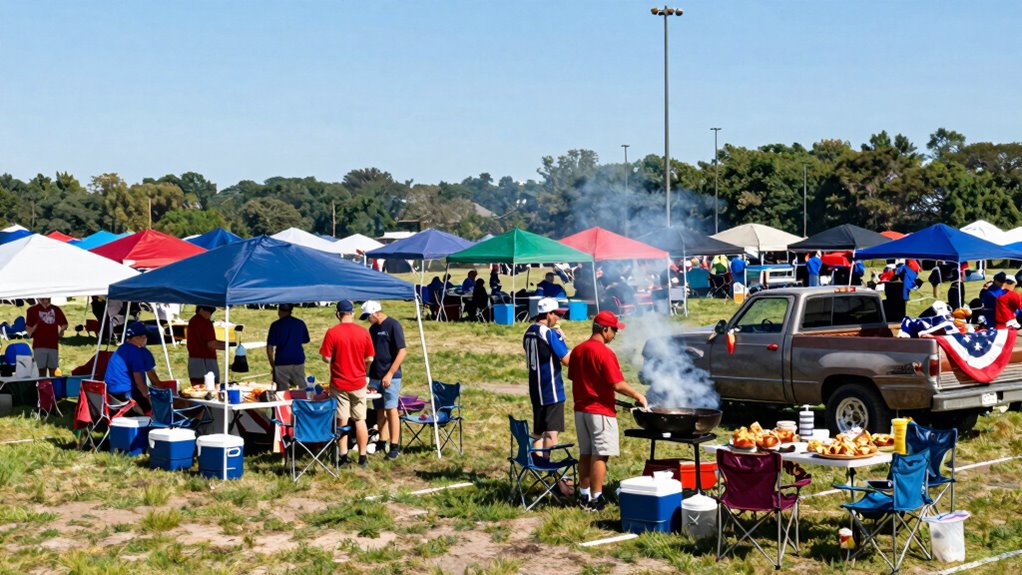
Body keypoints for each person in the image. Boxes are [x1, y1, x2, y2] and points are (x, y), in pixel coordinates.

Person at [568, 310, 647, 512]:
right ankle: (597, 498)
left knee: (585, 453)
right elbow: (617, 384)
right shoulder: (604, 352)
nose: (615, 335)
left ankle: (584, 496)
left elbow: (575, 378)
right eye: (614, 331)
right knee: (600, 455)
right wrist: (638, 396)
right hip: (600, 411)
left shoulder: (577, 350)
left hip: (580, 410)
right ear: (605, 330)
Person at [320, 300, 374, 466]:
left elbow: (326, 357)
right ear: (353, 313)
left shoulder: (332, 332)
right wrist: (364, 371)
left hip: (339, 382)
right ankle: (363, 457)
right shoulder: (363, 332)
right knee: (360, 420)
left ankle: (343, 456)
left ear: (338, 314)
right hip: (358, 382)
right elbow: (370, 358)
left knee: (342, 419)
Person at [524, 298, 571, 455]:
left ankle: (536, 463)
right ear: (548, 314)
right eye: (557, 314)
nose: (558, 318)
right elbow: (567, 360)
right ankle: (548, 468)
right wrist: (562, 340)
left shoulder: (529, 331)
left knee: (538, 431)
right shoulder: (549, 333)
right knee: (551, 432)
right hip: (552, 390)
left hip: (536, 389)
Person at [361, 300, 406, 460]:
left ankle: (394, 447)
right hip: (375, 376)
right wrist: (366, 375)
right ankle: (381, 441)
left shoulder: (393, 325)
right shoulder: (372, 329)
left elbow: (402, 351)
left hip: (391, 377)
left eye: (367, 316)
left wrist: (390, 374)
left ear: (375, 313)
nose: (367, 319)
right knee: (379, 409)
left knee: (391, 409)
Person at [104, 321, 159, 415]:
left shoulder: (122, 348)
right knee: (154, 409)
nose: (146, 338)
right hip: (126, 393)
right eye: (145, 336)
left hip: (110, 392)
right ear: (138, 337)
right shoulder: (136, 353)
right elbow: (139, 382)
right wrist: (148, 396)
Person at [266, 304, 310, 391]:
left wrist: (272, 364)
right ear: (291, 311)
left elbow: (270, 347)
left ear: (279, 311)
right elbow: (306, 340)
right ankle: (302, 403)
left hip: (282, 360)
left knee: (282, 390)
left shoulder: (275, 325)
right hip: (298, 359)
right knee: (301, 388)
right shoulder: (300, 323)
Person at [25, 298, 68, 377]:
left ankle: (53, 388)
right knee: (41, 370)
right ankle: (42, 388)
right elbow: (28, 329)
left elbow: (64, 324)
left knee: (53, 370)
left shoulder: (56, 309)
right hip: (39, 345)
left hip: (53, 345)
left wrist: (61, 331)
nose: (46, 298)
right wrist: (35, 327)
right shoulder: (32, 310)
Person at [186, 305, 220, 387]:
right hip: (205, 360)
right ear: (201, 309)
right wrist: (229, 345)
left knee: (197, 388)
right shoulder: (205, 323)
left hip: (193, 359)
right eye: (209, 311)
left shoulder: (193, 320)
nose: (210, 314)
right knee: (211, 388)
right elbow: (211, 344)